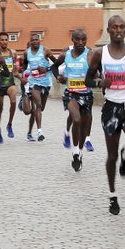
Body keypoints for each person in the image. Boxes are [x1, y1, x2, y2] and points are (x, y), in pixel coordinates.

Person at [84, 16, 125, 215]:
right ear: (108, 30)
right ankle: (113, 195)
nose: (119, 30)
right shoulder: (99, 54)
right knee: (111, 156)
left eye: (122, 27)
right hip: (111, 108)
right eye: (115, 27)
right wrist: (100, 83)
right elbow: (88, 80)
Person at [51, 29, 93, 171]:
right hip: (71, 94)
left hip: (86, 95)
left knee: (84, 129)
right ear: (72, 40)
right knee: (76, 120)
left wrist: (97, 76)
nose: (80, 43)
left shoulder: (90, 54)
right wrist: (58, 78)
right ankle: (75, 152)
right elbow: (54, 67)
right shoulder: (65, 55)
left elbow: (98, 70)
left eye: (83, 40)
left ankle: (80, 151)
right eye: (77, 39)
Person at [19, 32, 56, 142]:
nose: (35, 42)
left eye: (37, 40)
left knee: (40, 108)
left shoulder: (46, 51)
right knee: (37, 106)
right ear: (30, 42)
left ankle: (31, 130)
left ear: (40, 40)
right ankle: (40, 132)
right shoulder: (27, 52)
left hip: (45, 82)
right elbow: (25, 65)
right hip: (33, 82)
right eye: (33, 40)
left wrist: (47, 69)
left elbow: (57, 63)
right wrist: (22, 69)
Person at [0, 32, 18, 140]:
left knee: (13, 101)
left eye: (6, 40)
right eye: (2, 40)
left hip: (10, 82)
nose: (4, 42)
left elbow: (16, 66)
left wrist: (17, 71)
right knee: (0, 108)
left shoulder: (13, 53)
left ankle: (9, 124)